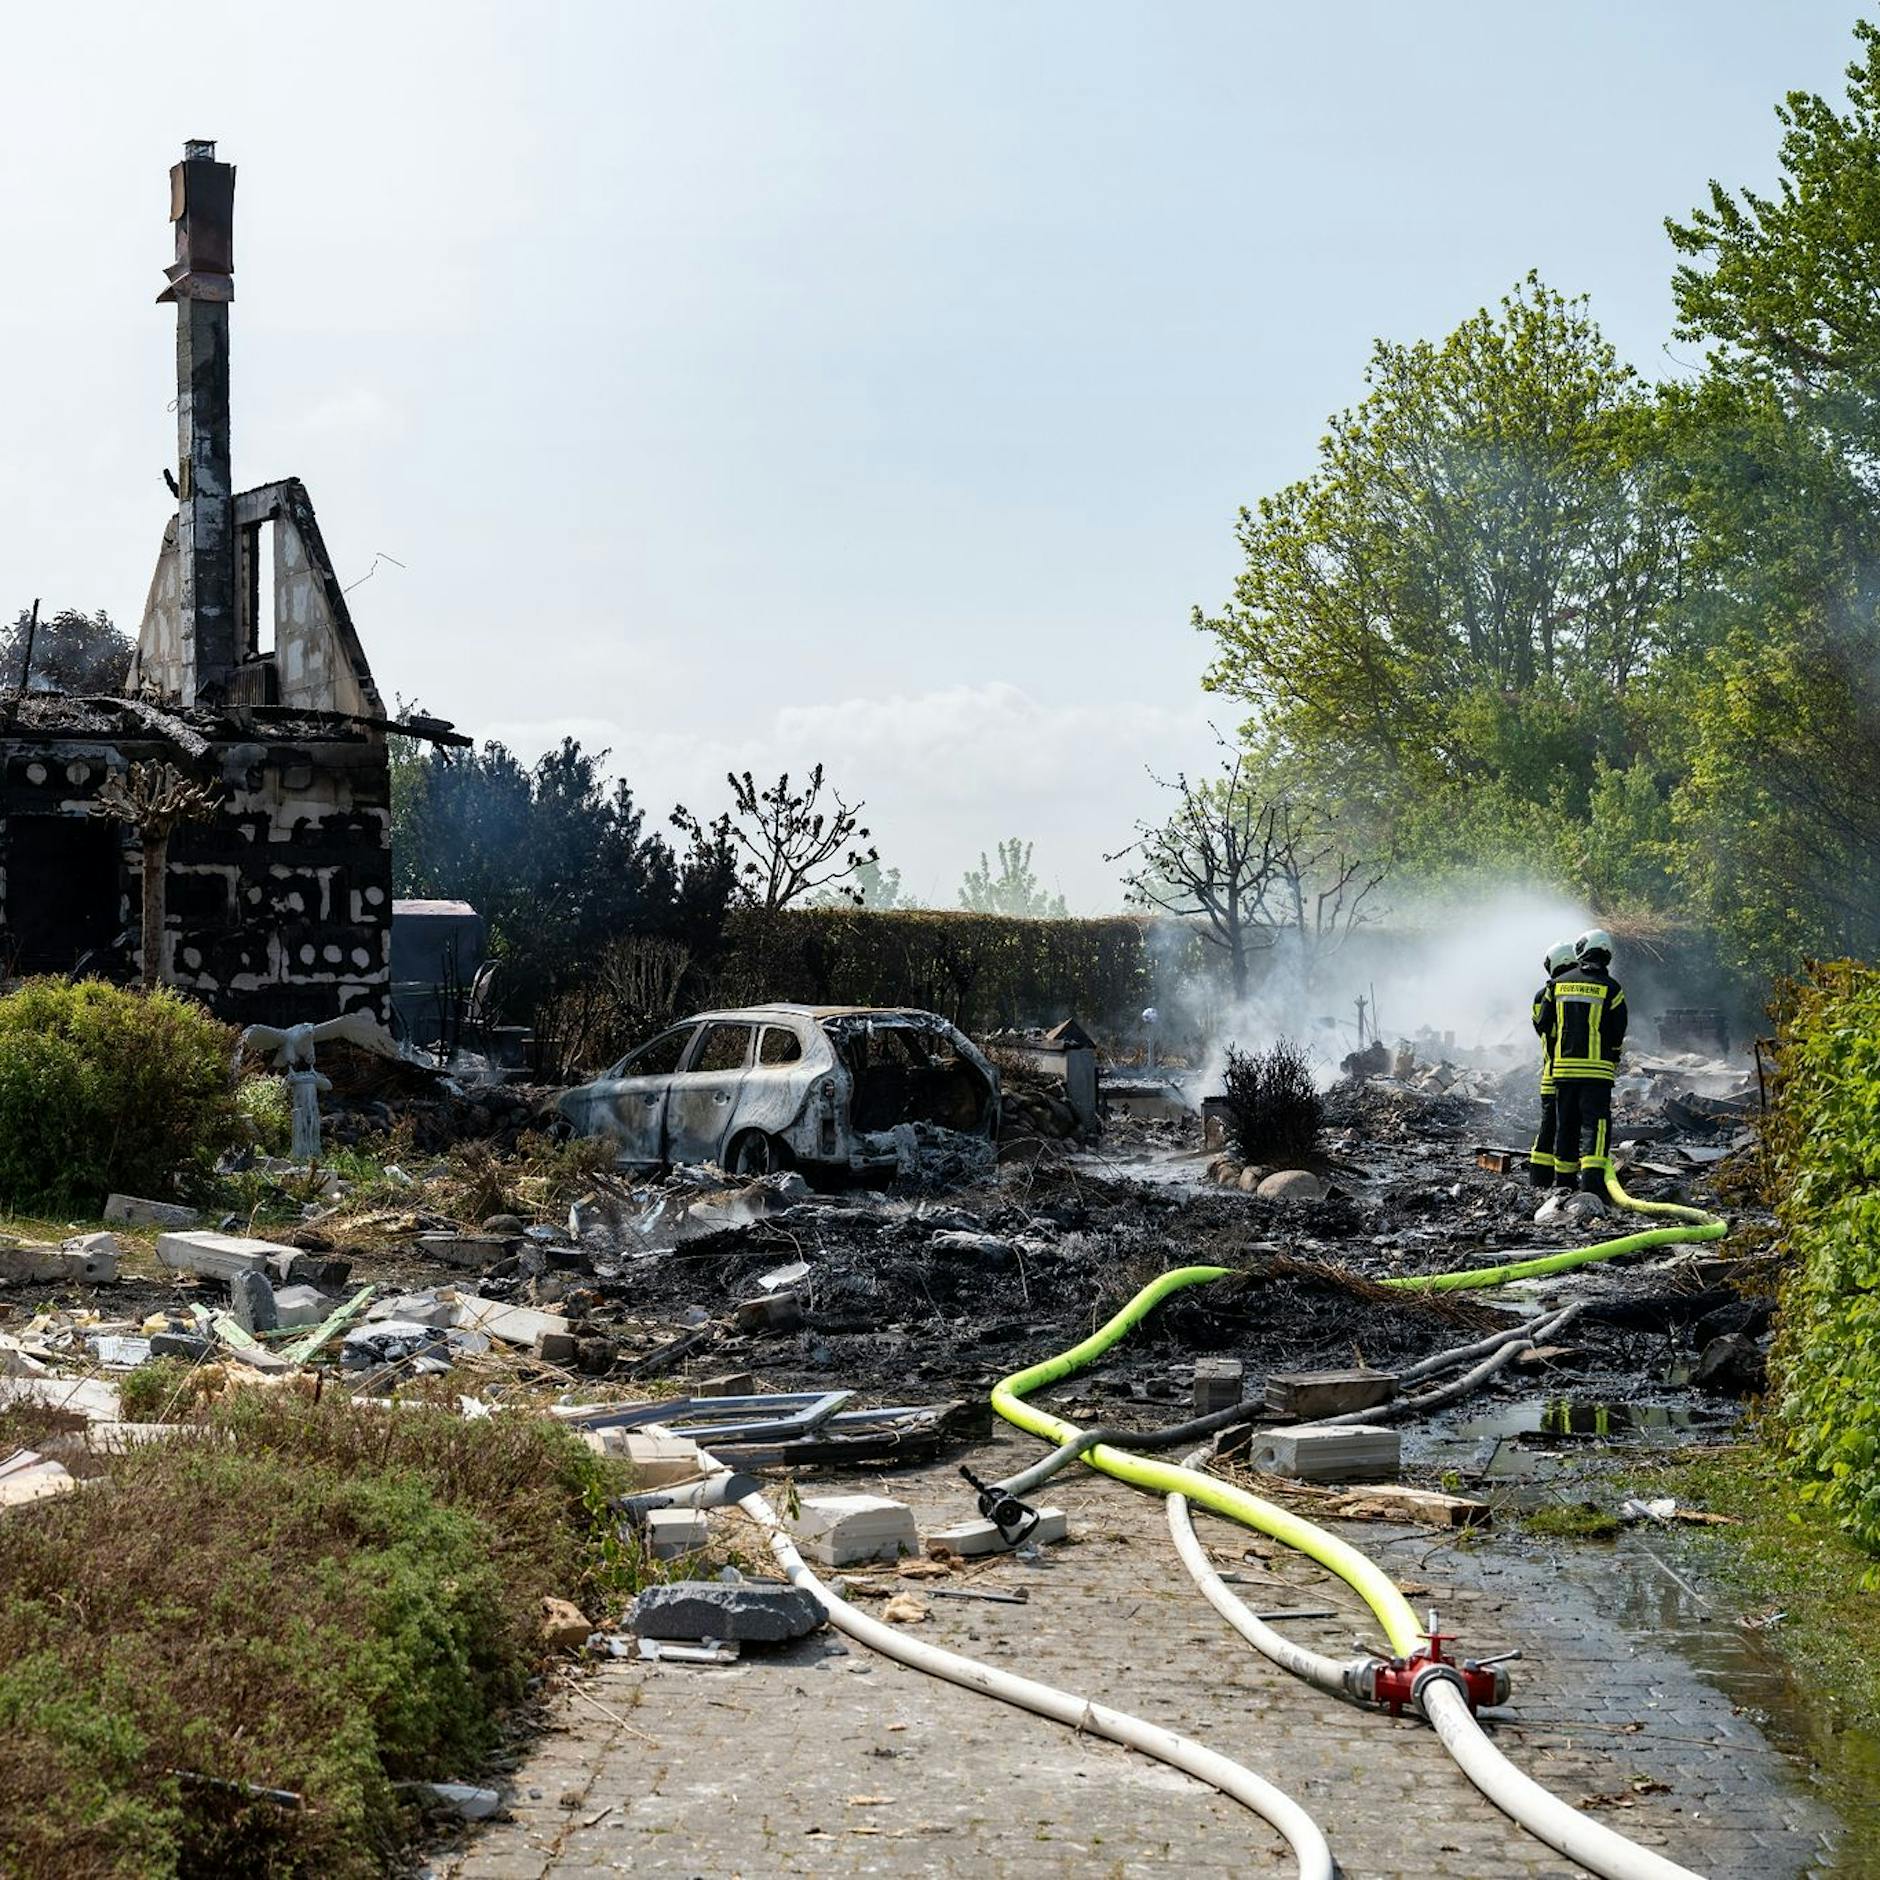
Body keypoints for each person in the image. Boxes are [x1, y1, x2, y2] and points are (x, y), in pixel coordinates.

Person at [1536, 928, 1628, 1220]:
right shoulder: (1612, 988)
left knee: (1567, 1126)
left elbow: (1544, 1023)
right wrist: (1612, 1055)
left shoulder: (1557, 985)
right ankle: (1591, 1185)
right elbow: (1618, 1030)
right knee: (1595, 1127)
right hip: (1597, 1072)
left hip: (1563, 1070)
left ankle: (1563, 1185)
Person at [1528, 939, 1579, 1189]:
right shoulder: (1573, 992)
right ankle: (1564, 1181)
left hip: (1551, 1074)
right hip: (1571, 1076)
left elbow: (1541, 1026)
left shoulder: (1545, 994)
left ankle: (1540, 1180)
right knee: (1566, 1128)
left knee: (1549, 1127)